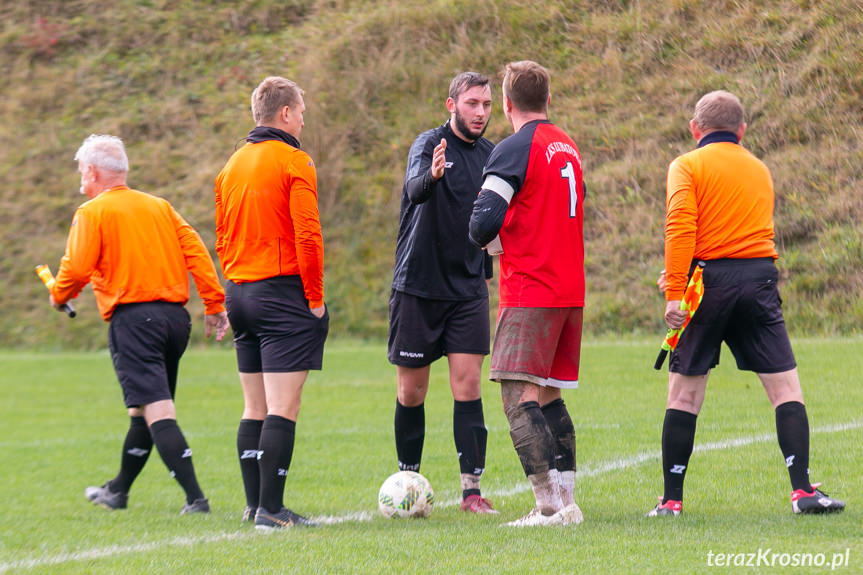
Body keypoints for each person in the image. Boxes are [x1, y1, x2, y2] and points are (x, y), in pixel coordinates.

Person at [647, 90, 845, 517]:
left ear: (694, 129)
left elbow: (681, 228)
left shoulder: (686, 164)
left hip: (707, 285)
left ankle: (671, 501)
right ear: (742, 130)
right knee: (786, 389)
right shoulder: (759, 168)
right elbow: (746, 233)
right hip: (758, 279)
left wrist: (674, 292)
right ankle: (803, 492)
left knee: (684, 394)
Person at [49, 134, 229, 514]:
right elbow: (196, 250)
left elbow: (77, 268)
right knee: (143, 410)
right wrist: (213, 303)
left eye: (82, 171)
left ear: (94, 172)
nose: (81, 178)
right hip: (175, 321)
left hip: (134, 320)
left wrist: (60, 294)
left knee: (158, 410)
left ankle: (196, 499)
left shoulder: (92, 212)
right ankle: (118, 491)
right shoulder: (159, 206)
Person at [469, 60, 585, 527]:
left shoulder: (515, 148)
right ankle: (568, 501)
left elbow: (481, 222)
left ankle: (548, 507)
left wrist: (492, 242)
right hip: (568, 286)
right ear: (549, 100)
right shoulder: (568, 145)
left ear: (508, 103)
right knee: (550, 396)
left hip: (531, 287)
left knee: (519, 397)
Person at [215, 76, 329, 530]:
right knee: (284, 406)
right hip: (281, 294)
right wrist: (315, 298)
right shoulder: (294, 160)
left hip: (239, 291)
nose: (303, 119)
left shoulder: (231, 164)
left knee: (254, 406)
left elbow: (222, 236)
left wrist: (231, 288)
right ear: (285, 114)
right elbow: (307, 234)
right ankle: (272, 511)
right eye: (301, 111)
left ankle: (253, 505)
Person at [388, 71, 498, 514]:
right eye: (472, 103)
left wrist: (489, 266)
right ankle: (407, 480)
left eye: (487, 105)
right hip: (418, 285)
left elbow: (493, 219)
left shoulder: (493, 155)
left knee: (468, 385)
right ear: (451, 105)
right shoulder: (427, 144)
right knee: (411, 391)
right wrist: (432, 176)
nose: (480, 112)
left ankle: (471, 492)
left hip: (468, 287)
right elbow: (414, 189)